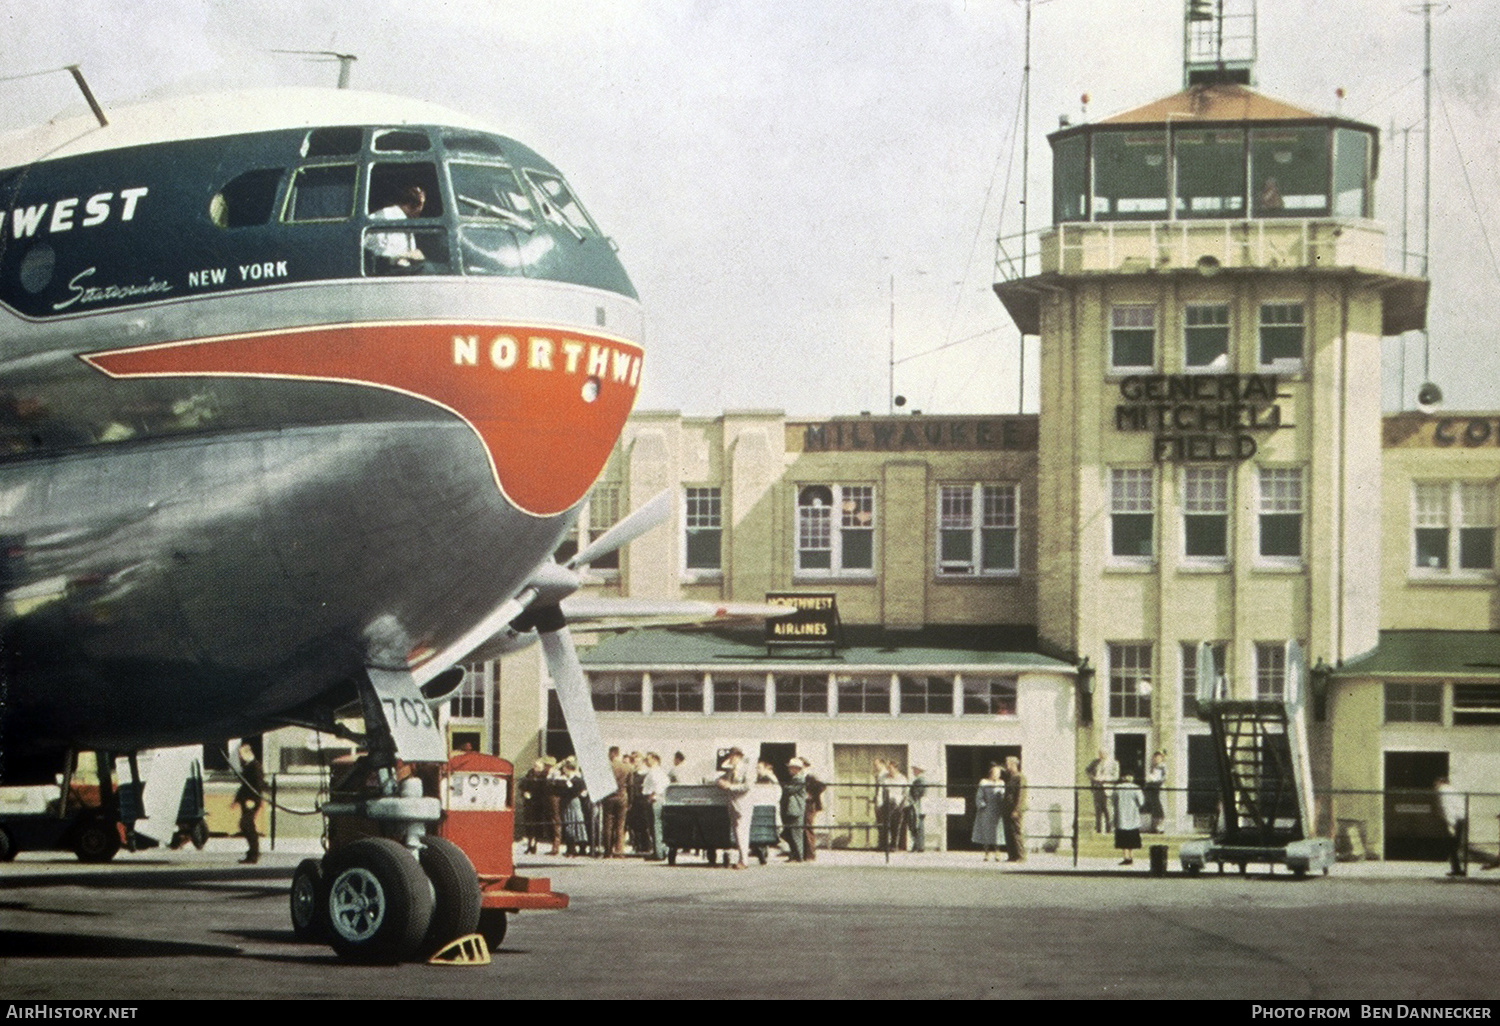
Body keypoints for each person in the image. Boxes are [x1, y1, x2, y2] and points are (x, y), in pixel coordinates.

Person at [366, 184, 428, 269]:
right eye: (421, 205)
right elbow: (380, 253)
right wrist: (409, 255)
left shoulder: (403, 220)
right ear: (417, 205)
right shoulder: (387, 217)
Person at [715, 748, 754, 868]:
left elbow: (747, 786)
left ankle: (744, 860)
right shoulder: (732, 770)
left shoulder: (747, 769)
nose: (730, 759)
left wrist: (730, 786)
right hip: (734, 804)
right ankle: (742, 859)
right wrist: (719, 781)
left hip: (743, 804)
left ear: (738, 756)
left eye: (731, 756)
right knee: (737, 832)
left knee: (741, 832)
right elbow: (722, 778)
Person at [230, 742, 265, 864]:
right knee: (246, 825)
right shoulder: (249, 766)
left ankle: (253, 854)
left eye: (241, 754)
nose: (240, 757)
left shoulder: (255, 767)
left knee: (247, 825)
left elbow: (257, 785)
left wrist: (252, 799)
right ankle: (252, 853)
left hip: (251, 800)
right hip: (247, 799)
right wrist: (236, 800)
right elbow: (244, 785)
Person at [972, 762, 1006, 861]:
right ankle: (987, 853)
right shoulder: (984, 782)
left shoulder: (1001, 783)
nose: (997, 775)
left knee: (997, 831)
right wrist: (982, 805)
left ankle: (997, 852)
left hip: (997, 809)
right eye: (995, 772)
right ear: (991, 773)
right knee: (986, 831)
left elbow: (1003, 795)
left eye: (998, 773)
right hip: (986, 810)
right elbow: (979, 796)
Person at [600, 746, 631, 857]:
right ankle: (619, 850)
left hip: (609, 797)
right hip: (622, 796)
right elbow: (630, 784)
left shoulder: (605, 767)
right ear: (618, 753)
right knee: (620, 825)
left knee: (607, 824)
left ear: (611, 753)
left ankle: (607, 851)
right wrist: (630, 800)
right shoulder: (627, 767)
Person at [641, 752, 670, 860]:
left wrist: (652, 796)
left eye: (648, 759)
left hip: (655, 801)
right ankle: (659, 851)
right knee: (656, 828)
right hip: (658, 800)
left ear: (655, 759)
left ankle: (658, 853)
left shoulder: (655, 772)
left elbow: (658, 787)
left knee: (656, 827)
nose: (646, 761)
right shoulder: (659, 772)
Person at [1436, 776, 1467, 877]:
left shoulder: (1443, 791)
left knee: (1452, 845)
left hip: (1455, 819)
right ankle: (1458, 869)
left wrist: (1451, 824)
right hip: (1461, 818)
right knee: (1456, 844)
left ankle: (1457, 869)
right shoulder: (1452, 789)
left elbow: (1447, 808)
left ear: (1440, 782)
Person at [518, 759, 550, 854]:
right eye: (535, 766)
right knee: (528, 823)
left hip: (539, 802)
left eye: (539, 767)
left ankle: (535, 844)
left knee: (537, 824)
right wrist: (524, 793)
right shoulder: (529, 774)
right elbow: (522, 785)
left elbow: (546, 789)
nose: (536, 768)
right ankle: (529, 844)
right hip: (529, 802)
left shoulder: (544, 776)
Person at [1113, 773, 1145, 865]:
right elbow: (1141, 802)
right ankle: (1130, 856)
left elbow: (1113, 801)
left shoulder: (1117, 788)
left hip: (1121, 816)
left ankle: (1126, 856)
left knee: (1123, 838)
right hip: (1132, 815)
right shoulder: (1136, 788)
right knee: (1131, 837)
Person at [782, 758, 809, 861]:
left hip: (796, 809)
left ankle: (798, 855)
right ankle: (794, 854)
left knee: (795, 833)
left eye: (791, 768)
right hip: (792, 809)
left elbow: (790, 789)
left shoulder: (799, 779)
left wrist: (785, 787)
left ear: (796, 769)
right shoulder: (795, 779)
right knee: (791, 833)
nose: (789, 770)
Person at [1002, 755, 1027, 862]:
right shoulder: (1010, 777)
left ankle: (1021, 856)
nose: (1006, 767)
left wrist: (1017, 809)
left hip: (1015, 809)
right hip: (1007, 808)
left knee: (1016, 832)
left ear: (1013, 764)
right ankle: (1012, 855)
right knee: (1008, 832)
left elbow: (1021, 795)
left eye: (1007, 764)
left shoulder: (1020, 777)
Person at [1087, 749, 1118, 833]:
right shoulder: (1095, 762)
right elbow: (1087, 770)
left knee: (1108, 811)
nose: (1101, 756)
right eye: (1100, 754)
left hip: (1107, 790)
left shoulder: (1114, 763)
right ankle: (1098, 830)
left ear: (1107, 754)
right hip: (1097, 789)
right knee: (1098, 811)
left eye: (1103, 754)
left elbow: (1116, 777)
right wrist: (1093, 778)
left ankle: (1110, 830)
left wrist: (1105, 779)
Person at [1143, 750, 1167, 833]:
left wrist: (1157, 781)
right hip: (1153, 787)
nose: (1156, 759)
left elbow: (1164, 777)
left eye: (1158, 758)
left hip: (1159, 787)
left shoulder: (1163, 766)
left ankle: (1161, 827)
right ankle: (1154, 826)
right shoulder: (1153, 767)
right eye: (1155, 758)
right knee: (1154, 806)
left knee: (1160, 806)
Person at [907, 765, 929, 853]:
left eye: (915, 770)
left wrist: (911, 798)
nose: (913, 771)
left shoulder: (919, 781)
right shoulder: (920, 780)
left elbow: (916, 793)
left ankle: (919, 845)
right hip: (919, 804)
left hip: (917, 805)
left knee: (917, 824)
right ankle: (917, 845)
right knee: (917, 824)